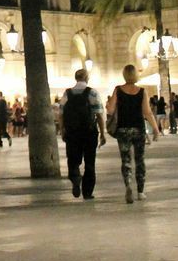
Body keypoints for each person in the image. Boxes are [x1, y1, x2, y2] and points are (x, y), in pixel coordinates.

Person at [107, 65, 159, 203]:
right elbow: (147, 112)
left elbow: (110, 110)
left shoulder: (118, 90)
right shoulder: (142, 91)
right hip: (138, 129)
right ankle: (141, 191)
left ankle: (128, 184)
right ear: (135, 75)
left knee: (126, 160)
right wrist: (155, 128)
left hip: (123, 129)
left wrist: (111, 105)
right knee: (140, 159)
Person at [60, 68, 106, 200]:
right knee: (90, 162)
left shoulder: (67, 93)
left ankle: (75, 178)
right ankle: (87, 192)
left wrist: (63, 129)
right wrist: (102, 133)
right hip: (89, 132)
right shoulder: (92, 93)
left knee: (73, 159)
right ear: (87, 78)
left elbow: (61, 114)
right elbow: (99, 114)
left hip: (72, 132)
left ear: (76, 78)